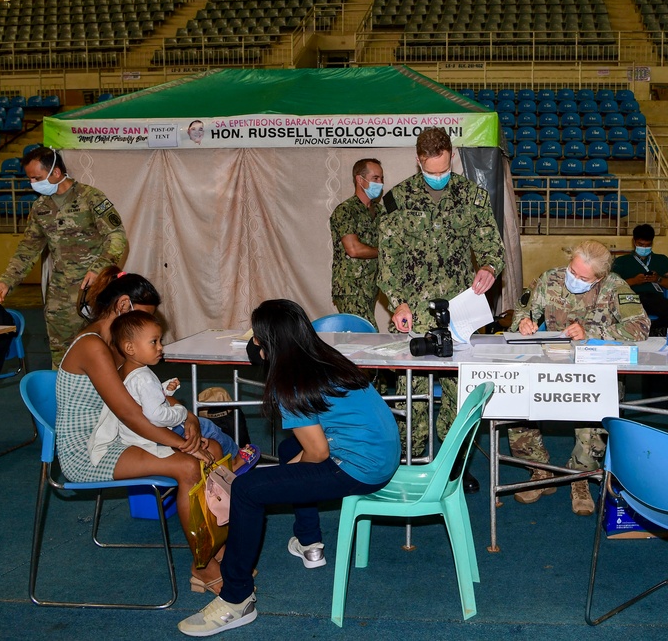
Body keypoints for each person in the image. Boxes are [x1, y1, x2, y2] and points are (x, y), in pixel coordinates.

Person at [177, 299, 400, 637]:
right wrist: (289, 469)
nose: (254, 345)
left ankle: (237, 600)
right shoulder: (325, 357)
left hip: (359, 469)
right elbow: (314, 446)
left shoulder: (290, 382)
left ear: (268, 346)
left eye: (257, 339)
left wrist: (266, 478)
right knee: (286, 448)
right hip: (382, 455)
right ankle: (309, 541)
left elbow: (318, 452)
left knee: (247, 490)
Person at [55, 266, 226, 594]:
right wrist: (183, 444)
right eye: (142, 320)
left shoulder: (117, 348)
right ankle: (204, 566)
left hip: (119, 438)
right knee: (190, 465)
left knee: (214, 452)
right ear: (122, 307)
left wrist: (188, 419)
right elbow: (132, 415)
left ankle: (215, 552)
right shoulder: (92, 347)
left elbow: (151, 401)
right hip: (88, 452)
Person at [377, 127, 505, 492]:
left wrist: (489, 268)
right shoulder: (397, 199)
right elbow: (389, 260)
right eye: (431, 171)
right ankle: (407, 463)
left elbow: (491, 246)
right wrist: (397, 299)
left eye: (444, 169)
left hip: (458, 311)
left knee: (458, 390)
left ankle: (452, 466)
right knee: (410, 389)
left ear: (451, 156)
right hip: (413, 309)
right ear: (419, 161)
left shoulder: (471, 196)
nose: (438, 177)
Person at [510, 240, 650, 515]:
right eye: (572, 271)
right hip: (550, 367)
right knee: (515, 405)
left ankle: (580, 479)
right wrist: (523, 322)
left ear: (599, 277)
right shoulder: (550, 279)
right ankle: (540, 472)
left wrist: (593, 333)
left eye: (583, 278)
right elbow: (522, 309)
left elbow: (640, 326)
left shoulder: (614, 288)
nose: (573, 279)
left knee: (596, 416)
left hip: (594, 370)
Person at [0, 147, 128, 368]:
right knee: (62, 355)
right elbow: (28, 249)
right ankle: (64, 397)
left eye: (37, 178)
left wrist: (99, 268)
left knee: (105, 350)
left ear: (56, 172)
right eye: (30, 178)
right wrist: (6, 281)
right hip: (60, 295)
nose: (33, 183)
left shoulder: (91, 197)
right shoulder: (41, 207)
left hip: (98, 290)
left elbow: (117, 236)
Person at [88, 310, 260, 474]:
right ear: (130, 348)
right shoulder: (144, 377)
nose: (160, 347)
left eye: (160, 341)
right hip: (153, 434)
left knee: (209, 442)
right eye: (154, 342)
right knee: (205, 425)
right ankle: (236, 457)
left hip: (134, 435)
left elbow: (140, 398)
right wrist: (182, 413)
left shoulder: (127, 371)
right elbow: (156, 415)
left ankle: (218, 472)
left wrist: (162, 389)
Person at [329, 158, 384, 327]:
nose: (380, 183)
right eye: (375, 178)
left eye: (382, 178)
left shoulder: (380, 211)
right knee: (366, 335)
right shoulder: (346, 210)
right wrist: (385, 252)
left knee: (354, 339)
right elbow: (353, 249)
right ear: (360, 180)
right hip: (351, 289)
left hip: (370, 287)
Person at [611, 223, 668, 335]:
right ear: (634, 242)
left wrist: (658, 279)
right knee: (616, 314)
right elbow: (612, 286)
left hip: (654, 298)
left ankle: (650, 330)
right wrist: (634, 281)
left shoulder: (661, 260)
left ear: (652, 243)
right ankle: (642, 330)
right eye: (641, 244)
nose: (644, 248)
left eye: (647, 245)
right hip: (630, 297)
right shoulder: (622, 262)